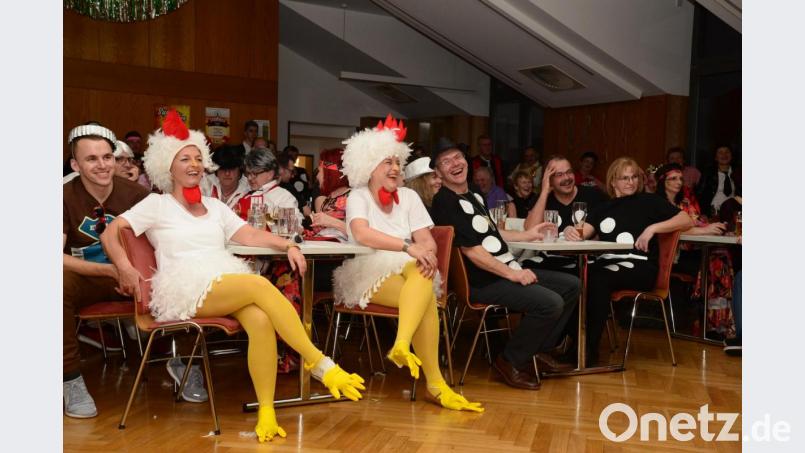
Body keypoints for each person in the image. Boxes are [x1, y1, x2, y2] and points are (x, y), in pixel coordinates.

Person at [101, 110, 364, 442]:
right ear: (167, 166)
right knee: (257, 284)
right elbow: (112, 232)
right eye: (185, 158)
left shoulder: (216, 206)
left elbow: (249, 236)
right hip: (184, 288)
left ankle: (266, 413)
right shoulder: (157, 204)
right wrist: (125, 267)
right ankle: (319, 363)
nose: (194, 164)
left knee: (260, 320)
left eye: (198, 157)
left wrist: (288, 246)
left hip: (222, 280)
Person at [333, 115, 483, 412]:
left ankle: (402, 345)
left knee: (421, 282)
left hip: (413, 271)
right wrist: (409, 247)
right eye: (386, 162)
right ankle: (436, 386)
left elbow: (426, 239)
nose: (394, 168)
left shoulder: (410, 197)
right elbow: (362, 234)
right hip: (368, 272)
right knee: (425, 297)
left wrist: (425, 251)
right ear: (368, 167)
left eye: (396, 162)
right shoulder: (358, 197)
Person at [430, 142, 580, 389]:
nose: (455, 164)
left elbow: (493, 235)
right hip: (481, 281)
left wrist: (529, 235)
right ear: (438, 173)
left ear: (466, 161)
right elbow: (473, 251)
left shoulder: (475, 195)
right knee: (550, 303)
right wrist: (512, 273)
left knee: (571, 285)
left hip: (502, 269)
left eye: (458, 157)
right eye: (446, 162)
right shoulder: (445, 202)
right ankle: (510, 361)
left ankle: (536, 351)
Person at [564, 157, 693, 366]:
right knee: (571, 278)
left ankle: (588, 350)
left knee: (597, 278)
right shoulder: (602, 208)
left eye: (633, 177)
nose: (630, 182)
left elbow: (686, 220)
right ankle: (570, 342)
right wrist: (571, 230)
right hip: (607, 265)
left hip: (639, 267)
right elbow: (582, 234)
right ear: (613, 182)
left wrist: (652, 229)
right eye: (624, 178)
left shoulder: (648, 201)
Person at [63, 123, 151, 419]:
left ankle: (181, 359)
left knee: (180, 275)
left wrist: (131, 273)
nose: (101, 165)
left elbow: (156, 247)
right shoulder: (62, 196)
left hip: (135, 276)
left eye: (107, 157)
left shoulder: (137, 195)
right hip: (87, 278)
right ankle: (70, 380)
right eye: (91, 159)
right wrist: (113, 271)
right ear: (75, 164)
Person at [655, 163, 735, 338]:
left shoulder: (685, 202)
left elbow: (695, 222)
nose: (678, 182)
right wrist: (704, 230)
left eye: (681, 179)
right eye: (673, 179)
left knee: (719, 258)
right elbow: (673, 230)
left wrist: (712, 227)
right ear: (663, 182)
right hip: (670, 257)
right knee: (714, 264)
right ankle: (712, 324)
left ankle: (717, 324)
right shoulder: (658, 203)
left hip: (691, 251)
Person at [522, 155, 606, 272]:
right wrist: (545, 191)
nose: (567, 178)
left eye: (569, 172)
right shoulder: (542, 199)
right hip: (550, 260)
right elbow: (529, 230)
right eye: (559, 175)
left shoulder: (593, 195)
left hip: (585, 261)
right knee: (524, 270)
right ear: (549, 179)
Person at [308, 148, 350, 243]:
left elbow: (361, 234)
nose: (317, 176)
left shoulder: (353, 196)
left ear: (330, 174)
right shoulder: (329, 197)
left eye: (320, 171)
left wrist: (330, 222)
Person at [202, 145, 250, 211]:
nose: (227, 173)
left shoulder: (249, 189)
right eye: (223, 169)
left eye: (232, 168)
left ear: (239, 170)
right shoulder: (206, 183)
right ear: (216, 170)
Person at [697, 145, 741, 215]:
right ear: (715, 157)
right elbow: (700, 194)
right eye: (720, 152)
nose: (724, 155)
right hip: (713, 212)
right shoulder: (708, 173)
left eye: (727, 152)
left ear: (731, 156)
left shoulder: (738, 172)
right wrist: (703, 214)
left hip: (733, 212)